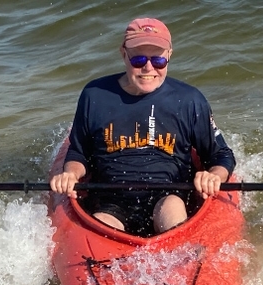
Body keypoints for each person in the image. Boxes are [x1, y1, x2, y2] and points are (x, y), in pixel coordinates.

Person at [50, 18, 236, 235]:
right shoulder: (95, 95)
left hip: (168, 198)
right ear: (123, 53)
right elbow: (79, 153)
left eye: (158, 60)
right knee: (102, 225)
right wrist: (71, 175)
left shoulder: (190, 100)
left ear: (169, 55)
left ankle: (183, 256)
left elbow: (221, 155)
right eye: (138, 59)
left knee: (173, 208)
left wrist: (214, 176)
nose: (148, 68)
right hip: (110, 202)